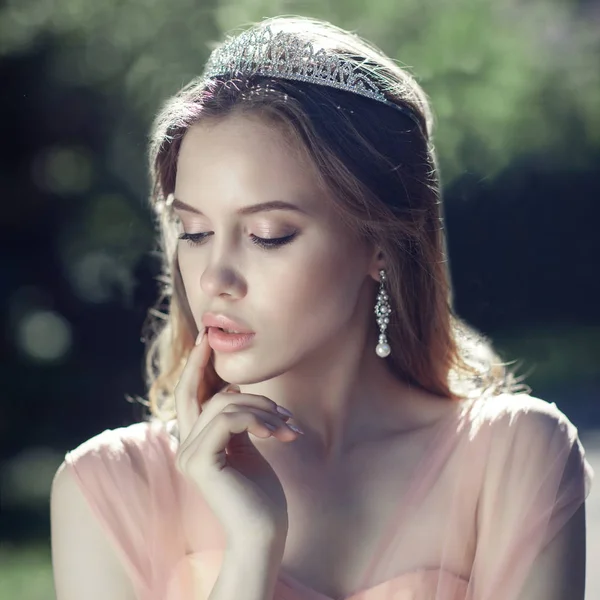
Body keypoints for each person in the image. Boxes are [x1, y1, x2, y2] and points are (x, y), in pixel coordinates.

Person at [50, 15, 594, 600]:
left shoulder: (513, 454)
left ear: (379, 245)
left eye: (267, 235)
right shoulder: (106, 487)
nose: (215, 278)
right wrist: (252, 545)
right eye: (195, 232)